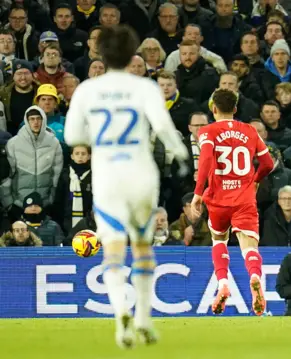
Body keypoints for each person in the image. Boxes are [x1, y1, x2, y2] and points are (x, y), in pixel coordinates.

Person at [64, 25, 189, 348]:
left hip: (107, 174)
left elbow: (72, 136)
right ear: (132, 53)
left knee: (114, 249)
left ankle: (121, 317)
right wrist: (180, 153)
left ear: (100, 53)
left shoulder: (88, 91)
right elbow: (164, 127)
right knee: (144, 246)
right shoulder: (144, 88)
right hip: (141, 174)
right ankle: (145, 318)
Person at [190, 88, 275, 317]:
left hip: (217, 199)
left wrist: (198, 192)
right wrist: (255, 181)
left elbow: (207, 158)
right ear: (236, 109)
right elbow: (267, 163)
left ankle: (223, 284)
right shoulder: (249, 131)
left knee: (219, 240)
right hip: (244, 198)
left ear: (213, 108)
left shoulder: (207, 131)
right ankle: (255, 278)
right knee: (249, 247)